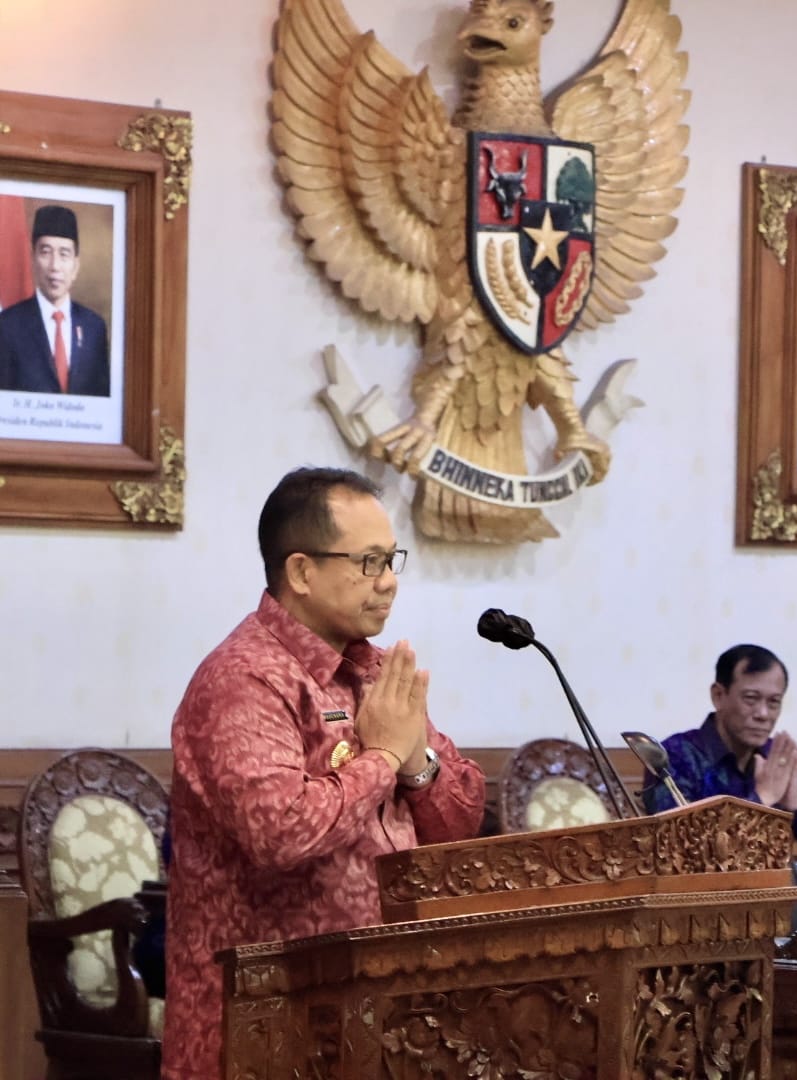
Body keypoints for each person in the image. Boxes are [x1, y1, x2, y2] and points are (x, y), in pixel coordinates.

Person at [163, 467, 487, 1080]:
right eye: (368, 562)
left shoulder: (378, 672)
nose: (388, 582)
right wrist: (382, 759)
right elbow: (281, 831)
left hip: (387, 1016)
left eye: (391, 560)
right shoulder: (242, 680)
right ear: (301, 572)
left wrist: (416, 765)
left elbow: (460, 821)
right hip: (267, 1022)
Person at [642, 644, 797, 853]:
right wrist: (760, 799)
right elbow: (679, 847)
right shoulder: (674, 756)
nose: (763, 714)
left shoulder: (774, 756)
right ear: (718, 695)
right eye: (751, 698)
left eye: (773, 702)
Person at [0, 204, 110, 396]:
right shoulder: (7, 326)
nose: (55, 266)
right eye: (45, 252)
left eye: (64, 254)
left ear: (76, 265)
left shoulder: (94, 327)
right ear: (33, 259)